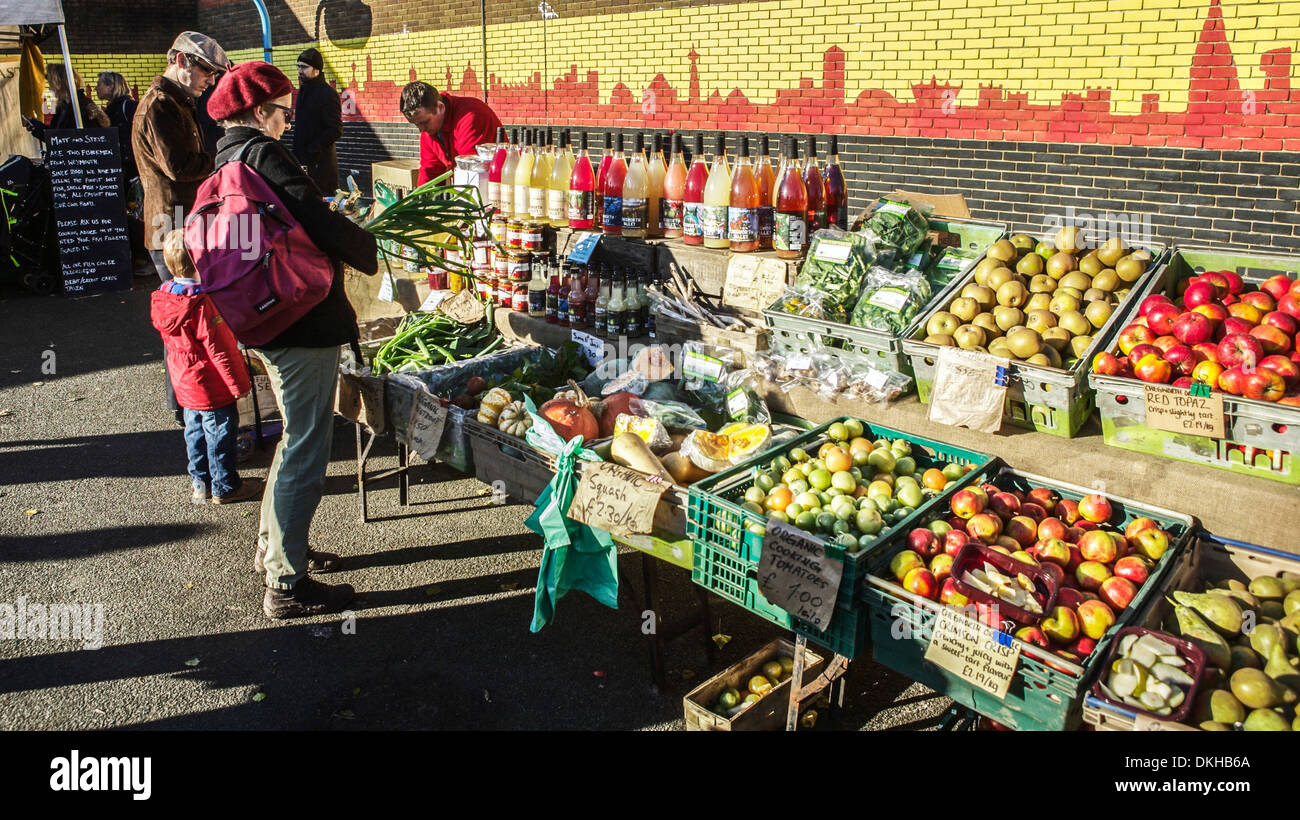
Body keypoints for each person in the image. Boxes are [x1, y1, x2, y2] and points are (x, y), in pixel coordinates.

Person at [207, 61, 378, 619]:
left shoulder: (227, 157)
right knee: (307, 445)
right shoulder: (265, 154)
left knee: (293, 438)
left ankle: (278, 549)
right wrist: (368, 247)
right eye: (283, 110)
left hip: (263, 316)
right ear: (259, 111)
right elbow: (317, 219)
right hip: (299, 321)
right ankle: (286, 583)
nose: (287, 120)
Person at [150, 229, 265, 506]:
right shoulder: (202, 305)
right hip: (211, 386)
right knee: (220, 434)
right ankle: (225, 486)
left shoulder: (165, 299)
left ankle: (200, 484)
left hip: (185, 383)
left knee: (194, 433)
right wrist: (239, 385)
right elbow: (220, 351)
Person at [133, 31, 230, 283]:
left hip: (179, 222)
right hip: (171, 226)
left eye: (214, 74)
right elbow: (180, 168)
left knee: (195, 307)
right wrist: (222, 156)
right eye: (207, 72)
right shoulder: (161, 105)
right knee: (185, 307)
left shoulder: (177, 101)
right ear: (181, 61)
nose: (211, 81)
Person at [400, 81, 501, 186]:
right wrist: (420, 200)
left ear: (440, 107)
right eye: (416, 125)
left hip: (494, 185)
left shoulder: (470, 116)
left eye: (425, 122)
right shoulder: (429, 131)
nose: (421, 130)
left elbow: (470, 170)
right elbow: (430, 172)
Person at [291, 48, 343, 195]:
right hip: (303, 160)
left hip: (321, 164)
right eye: (298, 66)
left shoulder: (327, 93)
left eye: (304, 67)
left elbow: (335, 129)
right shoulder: (303, 90)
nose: (300, 71)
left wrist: (314, 148)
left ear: (316, 70)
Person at [22, 64, 110, 140]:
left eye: (52, 84)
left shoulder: (83, 107)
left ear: (62, 84)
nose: (51, 89)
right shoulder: (63, 107)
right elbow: (55, 137)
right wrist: (37, 127)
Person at [96, 71, 138, 181]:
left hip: (131, 167)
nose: (96, 88)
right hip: (120, 166)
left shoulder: (128, 106)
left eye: (99, 84)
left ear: (111, 86)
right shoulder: (111, 108)